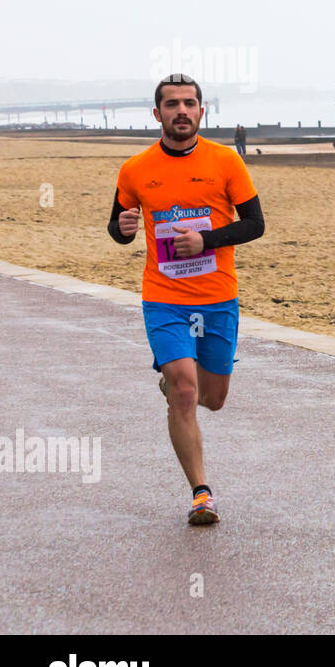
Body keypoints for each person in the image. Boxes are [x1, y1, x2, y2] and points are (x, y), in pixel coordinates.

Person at [107, 74, 266, 525]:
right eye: (172, 104)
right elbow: (117, 227)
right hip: (164, 297)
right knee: (183, 390)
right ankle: (201, 494)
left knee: (212, 398)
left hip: (217, 297)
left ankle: (178, 384)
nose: (181, 110)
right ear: (157, 114)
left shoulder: (226, 162)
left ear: (202, 112)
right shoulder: (135, 169)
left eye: (189, 103)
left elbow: (255, 224)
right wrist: (122, 231)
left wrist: (207, 241)